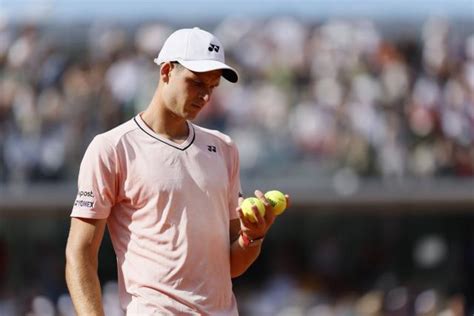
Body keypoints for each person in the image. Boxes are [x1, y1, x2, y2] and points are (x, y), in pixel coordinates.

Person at [65, 27, 289, 315]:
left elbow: (231, 265)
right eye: (196, 83)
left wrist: (252, 237)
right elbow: (80, 253)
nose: (205, 96)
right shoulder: (111, 148)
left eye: (212, 87)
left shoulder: (224, 148)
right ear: (167, 71)